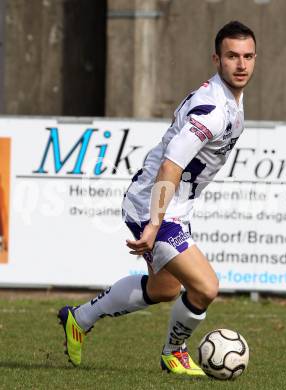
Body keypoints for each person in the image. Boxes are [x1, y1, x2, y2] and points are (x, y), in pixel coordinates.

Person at [58, 20, 257, 375]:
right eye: (232, 56)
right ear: (216, 59)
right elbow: (170, 165)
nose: (241, 64)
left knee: (165, 288)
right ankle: (173, 352)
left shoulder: (228, 100)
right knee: (205, 287)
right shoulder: (212, 111)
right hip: (155, 205)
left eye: (247, 56)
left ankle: (79, 318)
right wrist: (154, 223)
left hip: (171, 205)